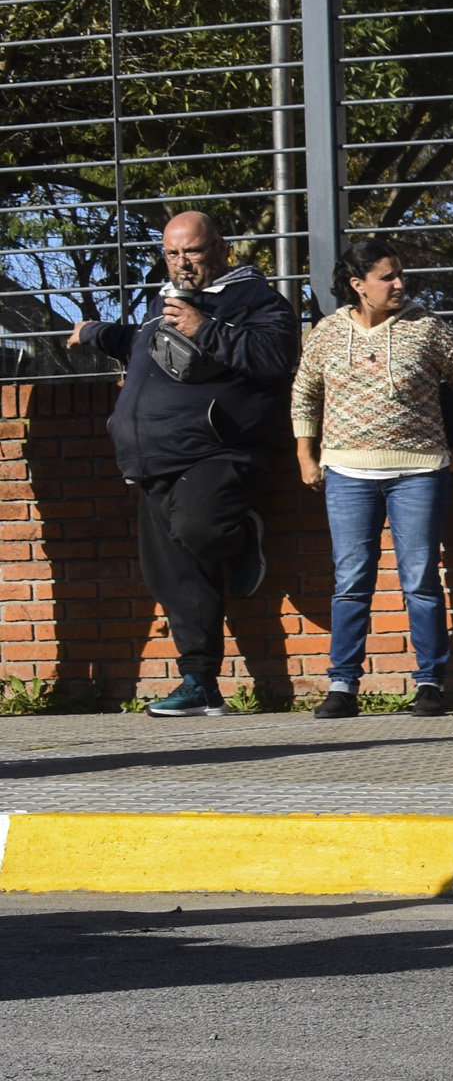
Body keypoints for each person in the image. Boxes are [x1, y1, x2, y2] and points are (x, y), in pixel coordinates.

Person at [66, 210, 298, 717]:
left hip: (219, 451)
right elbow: (138, 343)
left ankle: (240, 537)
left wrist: (205, 327)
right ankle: (201, 683)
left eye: (191, 251)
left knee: (202, 528)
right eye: (172, 253)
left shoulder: (256, 300)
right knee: (172, 575)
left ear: (220, 248)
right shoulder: (164, 302)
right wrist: (93, 332)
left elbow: (276, 357)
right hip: (153, 459)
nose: (181, 262)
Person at [291, 239, 453, 718]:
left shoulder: (428, 328)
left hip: (418, 472)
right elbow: (304, 393)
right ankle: (343, 686)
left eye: (400, 274)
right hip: (347, 474)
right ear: (358, 286)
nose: (399, 284)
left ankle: (430, 684)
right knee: (351, 581)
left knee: (420, 580)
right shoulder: (326, 333)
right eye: (387, 277)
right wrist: (305, 455)